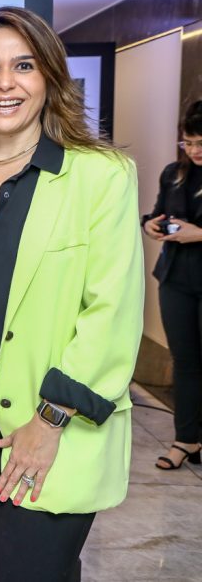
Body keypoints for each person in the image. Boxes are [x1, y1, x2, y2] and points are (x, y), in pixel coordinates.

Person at [0, 6, 144, 581]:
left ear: (48, 76)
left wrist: (49, 420)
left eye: (22, 66)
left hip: (51, 413)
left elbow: (111, 313)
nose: (4, 83)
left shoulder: (101, 175)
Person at [143, 100, 202, 470]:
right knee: (185, 362)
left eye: (201, 143)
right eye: (189, 143)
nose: (194, 151)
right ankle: (186, 440)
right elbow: (159, 212)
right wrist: (149, 224)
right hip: (176, 278)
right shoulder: (174, 173)